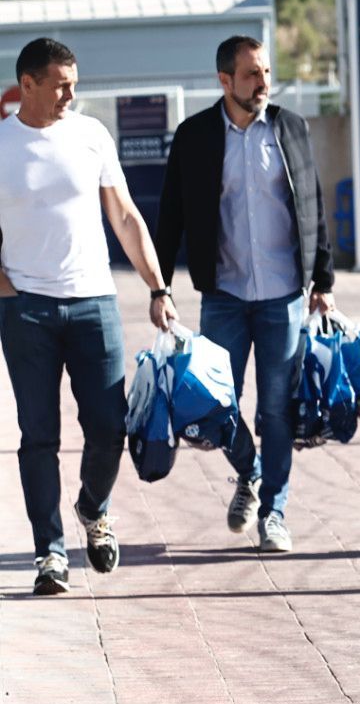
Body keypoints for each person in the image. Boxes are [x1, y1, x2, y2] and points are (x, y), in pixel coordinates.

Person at [0, 37, 176, 594]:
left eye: (74, 82)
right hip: (25, 309)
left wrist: (158, 284)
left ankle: (93, 507)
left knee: (108, 427)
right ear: (27, 85)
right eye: (60, 84)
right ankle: (49, 554)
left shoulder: (91, 135)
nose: (71, 94)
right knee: (38, 435)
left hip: (94, 302)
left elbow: (124, 216)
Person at [156, 35, 335, 554]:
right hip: (225, 296)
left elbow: (313, 208)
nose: (262, 83)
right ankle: (250, 473)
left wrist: (322, 281)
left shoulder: (290, 129)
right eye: (252, 74)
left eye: (266, 73)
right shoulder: (193, 137)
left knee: (277, 410)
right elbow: (170, 217)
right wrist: (159, 287)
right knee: (218, 407)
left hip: (284, 296)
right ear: (225, 81)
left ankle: (274, 511)